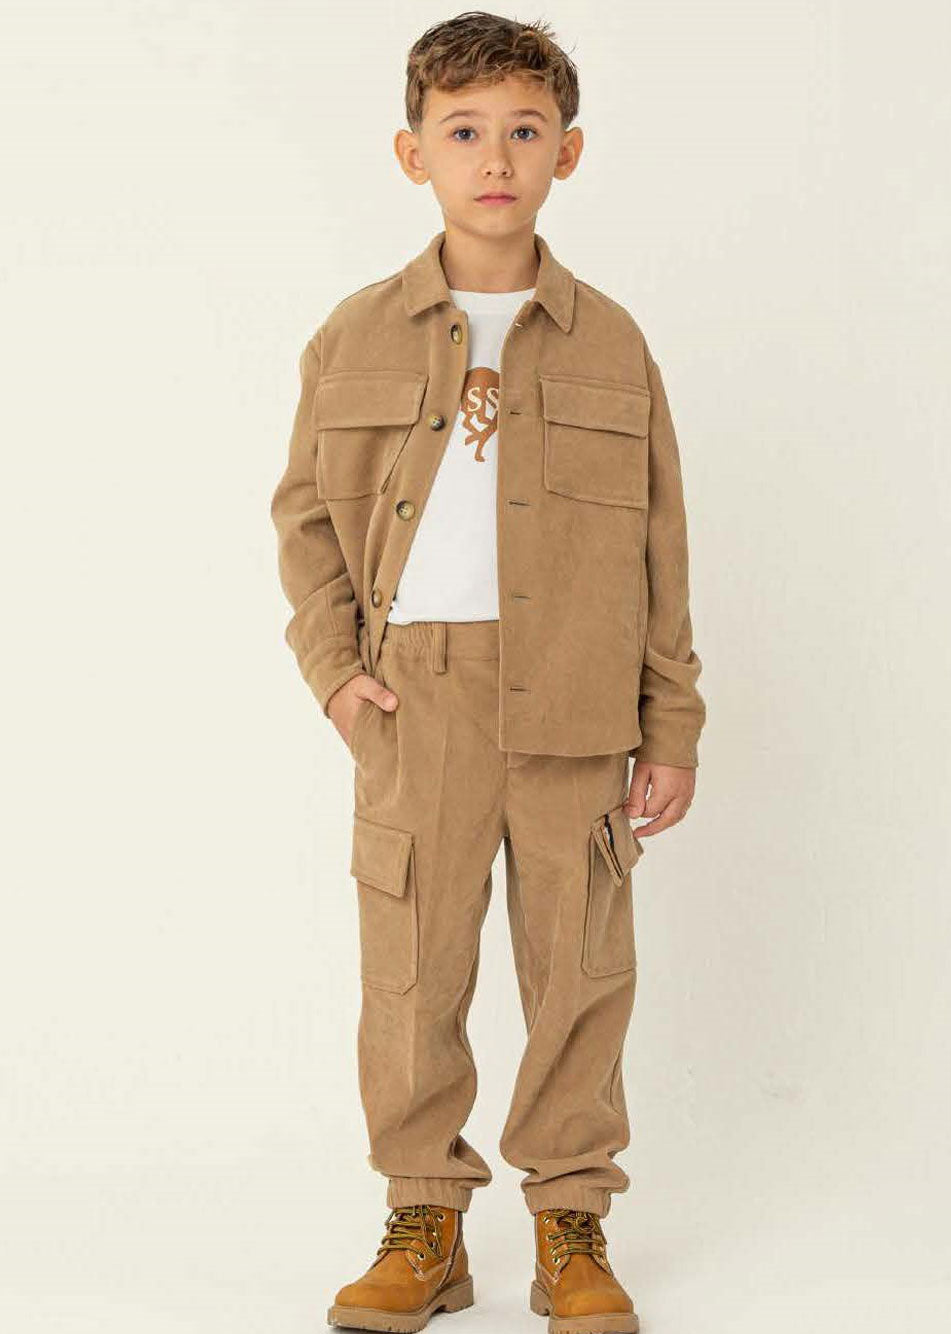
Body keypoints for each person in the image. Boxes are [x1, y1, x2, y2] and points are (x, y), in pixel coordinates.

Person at [270, 12, 706, 1332]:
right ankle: (426, 1222)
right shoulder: (354, 335)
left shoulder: (613, 342)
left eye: (525, 130)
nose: (496, 157)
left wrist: (669, 722)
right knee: (413, 969)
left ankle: (572, 1223)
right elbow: (304, 519)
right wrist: (336, 672)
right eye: (463, 131)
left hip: (578, 695)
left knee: (578, 972)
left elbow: (661, 543)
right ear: (414, 152)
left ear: (569, 151)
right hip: (418, 698)